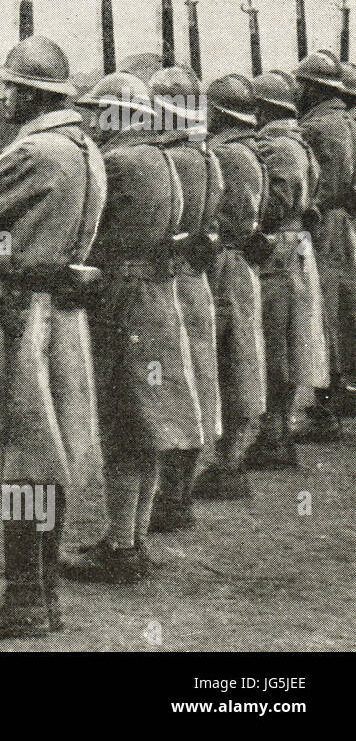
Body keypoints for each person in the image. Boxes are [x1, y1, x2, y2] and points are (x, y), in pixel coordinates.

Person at [0, 36, 105, 639]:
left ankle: (24, 601)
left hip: (20, 316)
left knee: (19, 458)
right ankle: (44, 594)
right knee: (47, 455)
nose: (3, 97)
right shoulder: (85, 148)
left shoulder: (35, 152)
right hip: (61, 310)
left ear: (30, 95)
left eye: (11, 88)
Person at [62, 71, 200, 584]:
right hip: (155, 296)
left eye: (98, 111)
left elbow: (90, 231)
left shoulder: (116, 163)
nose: (91, 121)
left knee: (122, 425)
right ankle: (132, 540)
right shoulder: (162, 156)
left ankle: (120, 548)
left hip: (121, 301)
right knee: (147, 424)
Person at [147, 67, 224, 532]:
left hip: (169, 279)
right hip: (194, 278)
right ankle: (179, 493)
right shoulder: (205, 154)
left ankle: (171, 498)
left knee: (171, 390)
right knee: (195, 384)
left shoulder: (171, 158)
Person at [241, 71, 328, 469]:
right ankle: (278, 433)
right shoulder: (299, 143)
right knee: (291, 341)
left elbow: (271, 206)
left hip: (276, 251)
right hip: (295, 248)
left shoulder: (275, 147)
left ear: (263, 110)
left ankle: (273, 435)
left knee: (274, 343)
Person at [193, 75, 269, 501]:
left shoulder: (227, 155)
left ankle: (227, 464)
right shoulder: (249, 150)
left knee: (229, 357)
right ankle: (229, 460)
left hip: (224, 263)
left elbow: (227, 219)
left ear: (218, 113)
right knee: (237, 355)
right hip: (237, 262)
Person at [294, 51, 356, 443]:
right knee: (341, 309)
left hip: (322, 225)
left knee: (323, 314)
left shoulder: (317, 127)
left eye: (302, 85)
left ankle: (326, 408)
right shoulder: (345, 121)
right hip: (341, 223)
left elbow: (320, 185)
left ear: (314, 88)